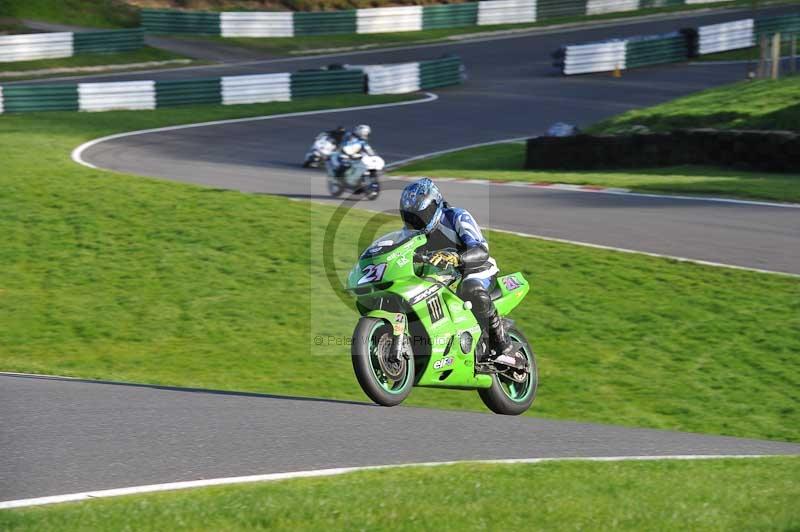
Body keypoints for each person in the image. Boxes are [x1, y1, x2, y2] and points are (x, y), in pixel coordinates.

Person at [398, 178, 521, 369]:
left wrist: (456, 258)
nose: (416, 221)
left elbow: (481, 250)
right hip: (444, 279)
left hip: (476, 270)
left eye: (421, 215)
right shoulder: (409, 236)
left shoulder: (457, 216)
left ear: (435, 205)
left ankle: (501, 343)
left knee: (470, 288)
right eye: (411, 217)